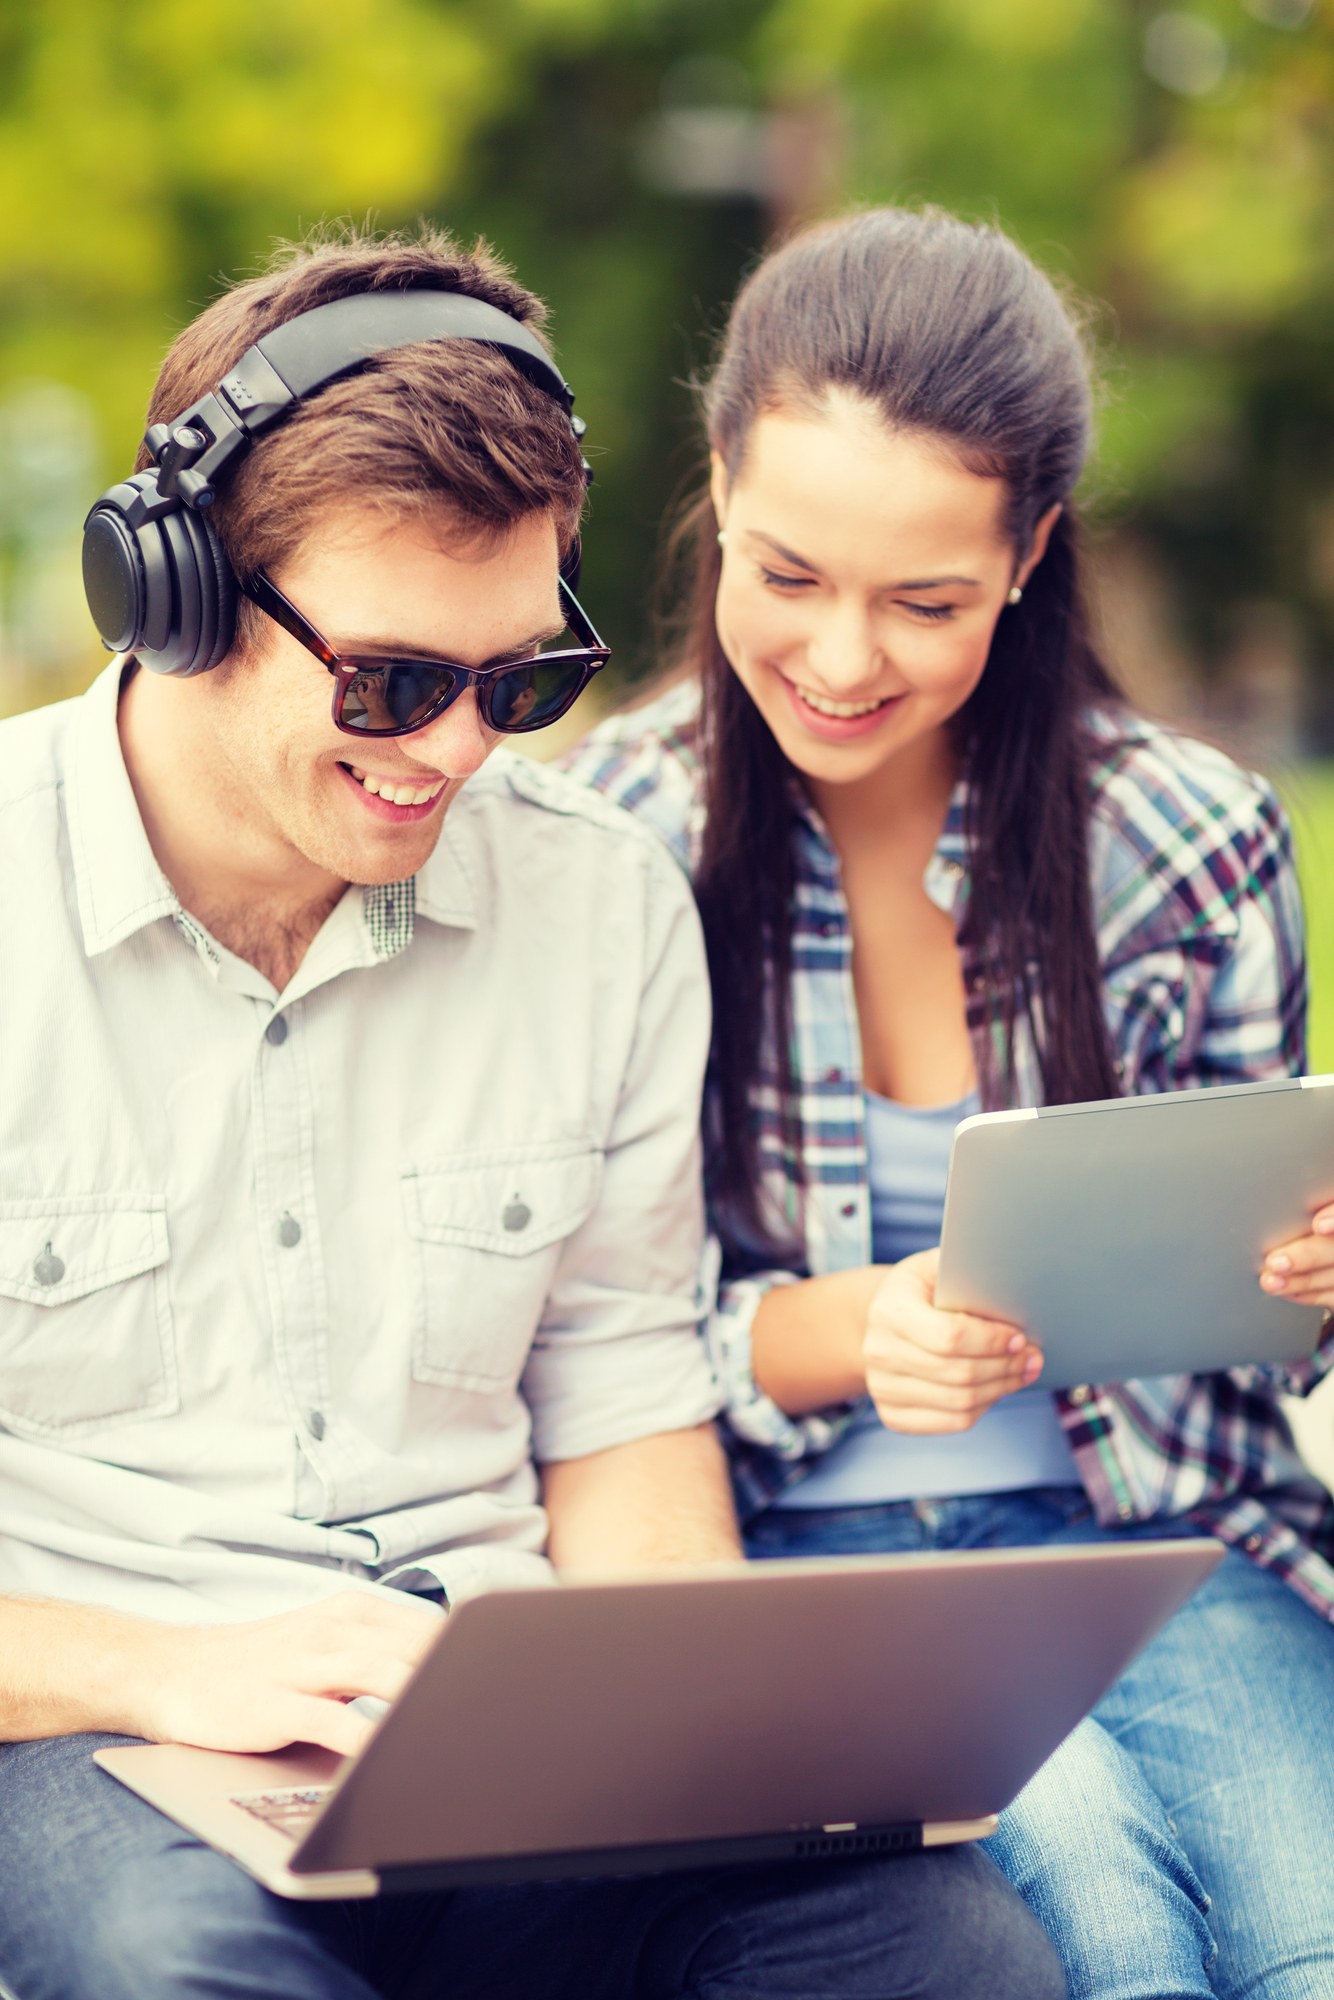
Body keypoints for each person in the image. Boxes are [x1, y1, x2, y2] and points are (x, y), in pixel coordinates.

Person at [0, 226, 1066, 2000]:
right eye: (393, 684)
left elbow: (622, 1402)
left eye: (523, 684)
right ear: (174, 593)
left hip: (509, 1732)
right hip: (110, 1740)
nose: (457, 755)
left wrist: (706, 1731)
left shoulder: (600, 906)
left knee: (943, 1959)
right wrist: (149, 1672)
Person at [565, 206, 1334, 2000]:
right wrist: (849, 1334)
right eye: (789, 576)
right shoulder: (606, 841)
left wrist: (1307, 1272)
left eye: (922, 601)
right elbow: (570, 1346)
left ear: (1028, 552)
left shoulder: (1184, 840)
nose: (843, 660)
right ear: (717, 482)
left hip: (1166, 1541)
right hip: (818, 1576)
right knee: (1108, 1956)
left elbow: (1270, 1351)